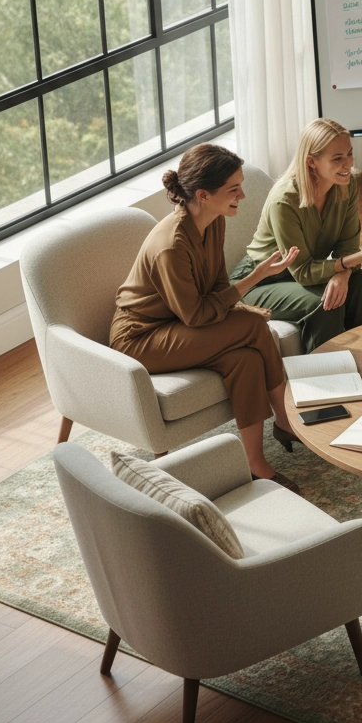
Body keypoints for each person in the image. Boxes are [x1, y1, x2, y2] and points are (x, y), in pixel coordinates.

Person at [110, 144, 303, 492]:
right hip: (142, 339)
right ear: (202, 194)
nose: (242, 195)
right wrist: (255, 279)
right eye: (233, 189)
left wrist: (238, 306)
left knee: (243, 359)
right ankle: (287, 421)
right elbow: (197, 314)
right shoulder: (172, 245)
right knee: (255, 326)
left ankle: (254, 463)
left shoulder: (212, 222)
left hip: (179, 324)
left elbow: (216, 285)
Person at [230, 119, 362, 354]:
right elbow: (302, 271)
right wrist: (351, 261)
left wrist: (343, 274)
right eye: (337, 158)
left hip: (303, 271)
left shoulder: (346, 183)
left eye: (349, 154)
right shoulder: (285, 201)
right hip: (260, 281)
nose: (348, 163)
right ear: (312, 161)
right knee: (325, 302)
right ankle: (324, 377)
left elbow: (347, 242)